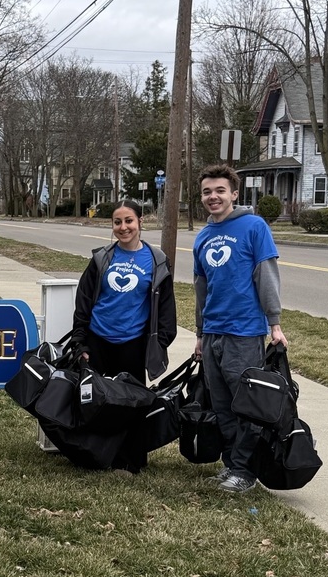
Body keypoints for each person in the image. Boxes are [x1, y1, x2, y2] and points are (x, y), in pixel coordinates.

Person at [192, 164, 288, 493]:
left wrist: (273, 323)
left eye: (220, 190)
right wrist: (200, 334)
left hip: (244, 332)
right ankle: (232, 464)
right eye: (207, 191)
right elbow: (201, 288)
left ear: (234, 193)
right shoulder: (203, 236)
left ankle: (246, 471)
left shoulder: (254, 227)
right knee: (221, 406)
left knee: (247, 405)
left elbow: (266, 276)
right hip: (214, 333)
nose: (213, 197)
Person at [72, 199, 177, 472]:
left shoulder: (156, 261)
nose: (123, 227)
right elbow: (84, 302)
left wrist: (160, 342)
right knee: (97, 402)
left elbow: (166, 308)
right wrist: (81, 340)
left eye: (129, 221)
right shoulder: (101, 259)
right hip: (98, 340)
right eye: (117, 222)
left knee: (132, 404)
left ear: (140, 222)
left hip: (133, 344)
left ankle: (131, 459)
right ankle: (97, 456)